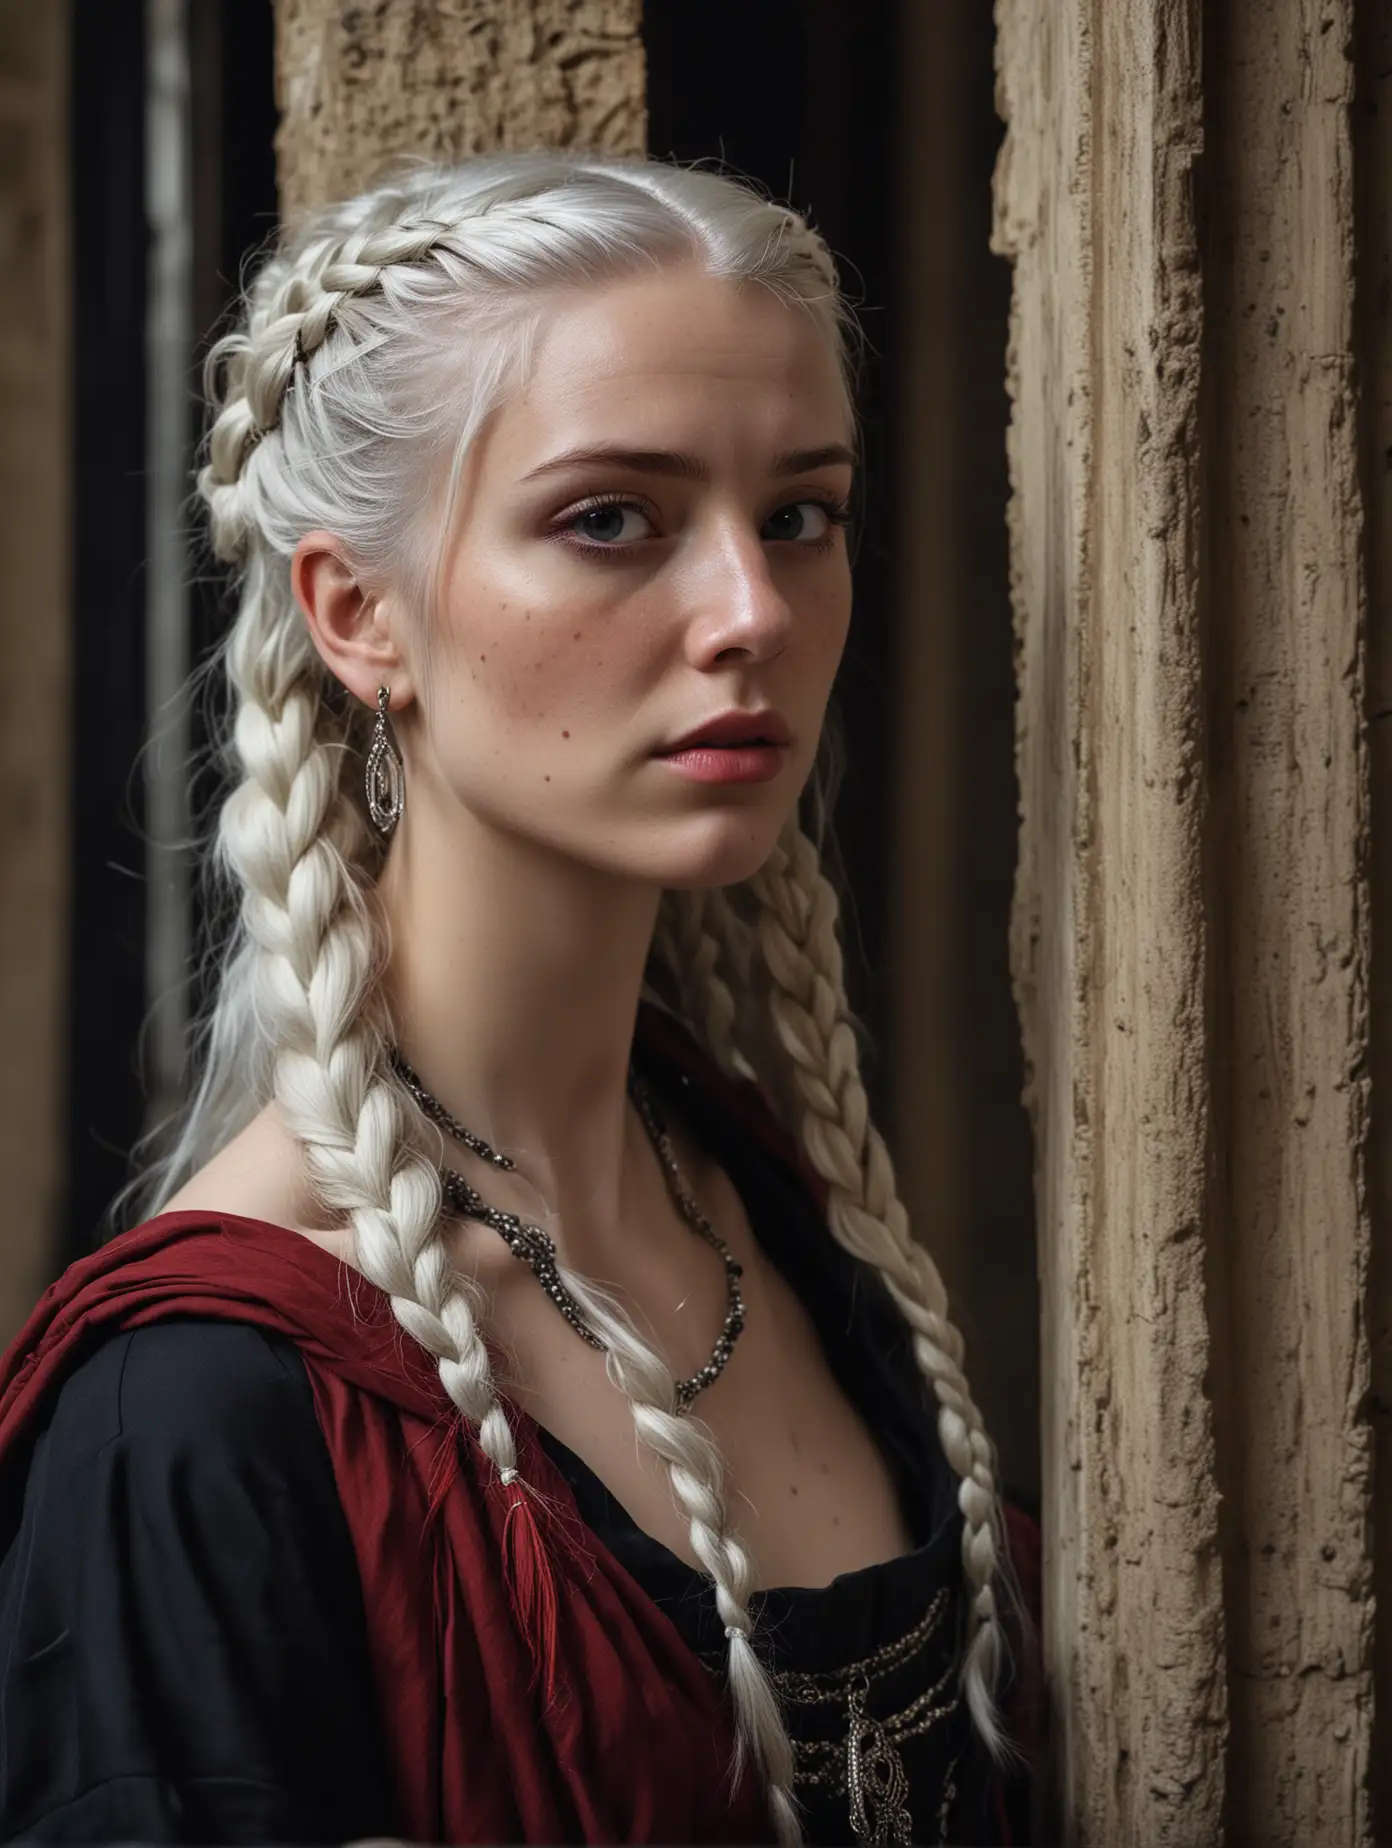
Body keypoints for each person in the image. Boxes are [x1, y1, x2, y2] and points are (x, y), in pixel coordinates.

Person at [0, 152, 1038, 1846]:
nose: (752, 613)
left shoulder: (773, 1206)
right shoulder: (199, 1413)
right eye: (610, 519)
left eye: (801, 514)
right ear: (359, 613)